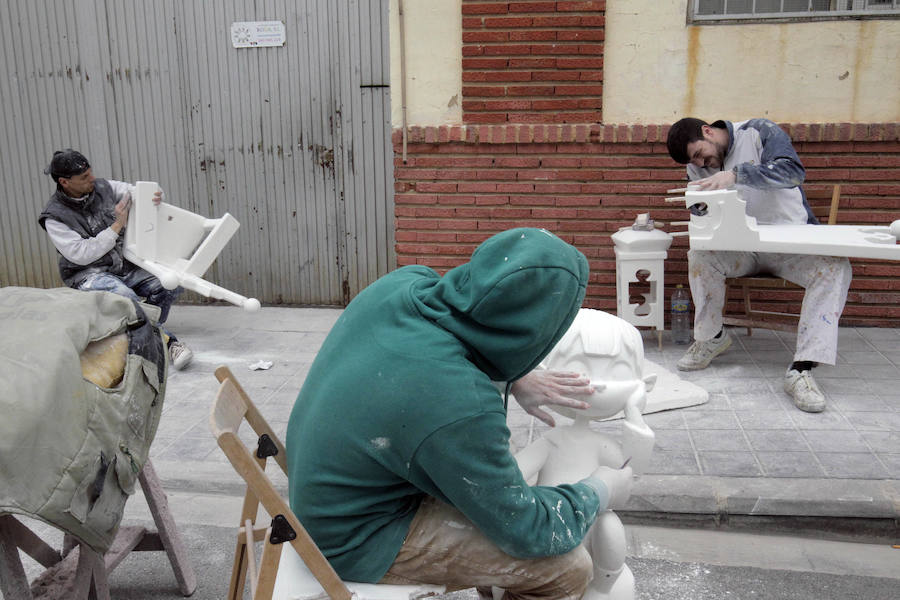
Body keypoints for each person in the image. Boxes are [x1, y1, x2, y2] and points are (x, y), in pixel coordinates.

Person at [287, 228, 634, 598]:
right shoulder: (462, 403)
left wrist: (515, 376)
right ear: (537, 333)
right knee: (565, 568)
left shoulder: (401, 283)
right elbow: (528, 528)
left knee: (492, 486)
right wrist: (599, 490)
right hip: (353, 538)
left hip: (329, 487)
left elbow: (456, 340)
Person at [666, 118, 852, 412]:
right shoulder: (697, 167)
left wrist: (735, 175)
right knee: (701, 255)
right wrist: (699, 207)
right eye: (695, 161)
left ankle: (801, 369)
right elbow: (704, 213)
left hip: (790, 244)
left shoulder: (757, 132)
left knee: (834, 267)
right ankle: (711, 338)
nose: (702, 162)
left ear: (708, 131)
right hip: (743, 249)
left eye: (701, 153)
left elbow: (793, 172)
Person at [38, 149, 193, 370]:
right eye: (84, 177)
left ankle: (133, 329)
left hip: (122, 266)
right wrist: (117, 225)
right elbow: (81, 254)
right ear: (64, 182)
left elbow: (137, 193)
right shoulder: (54, 217)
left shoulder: (104, 187)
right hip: (88, 274)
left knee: (170, 282)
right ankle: (168, 343)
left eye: (90, 173)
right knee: (125, 299)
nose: (91, 179)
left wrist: (155, 195)